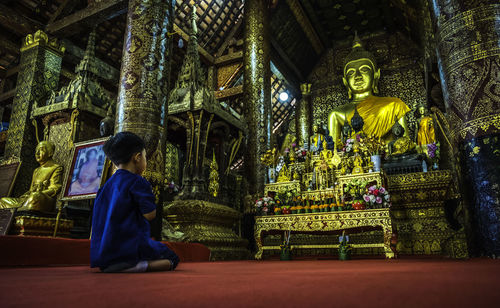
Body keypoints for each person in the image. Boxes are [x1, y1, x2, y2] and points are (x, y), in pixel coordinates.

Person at [90, 132, 179, 273]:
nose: (145, 160)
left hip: (104, 252)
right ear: (137, 158)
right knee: (172, 257)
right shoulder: (137, 181)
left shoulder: (105, 187)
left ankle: (119, 264)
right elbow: (150, 215)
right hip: (130, 246)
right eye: (145, 157)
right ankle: (138, 266)